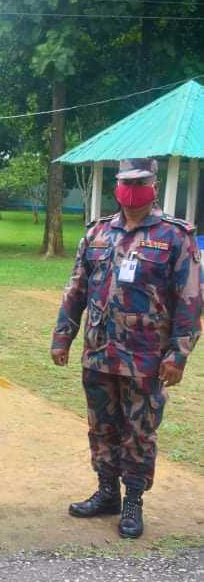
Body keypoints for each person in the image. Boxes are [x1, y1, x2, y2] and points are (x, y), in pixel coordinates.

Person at [51, 158, 201, 539]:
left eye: (140, 182)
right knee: (101, 426)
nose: (132, 190)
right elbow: (76, 290)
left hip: (146, 358)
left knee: (140, 431)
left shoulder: (174, 236)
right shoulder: (97, 233)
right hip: (99, 351)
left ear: (153, 184)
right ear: (116, 185)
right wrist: (63, 335)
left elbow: (190, 302)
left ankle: (133, 499)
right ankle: (106, 493)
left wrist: (178, 355)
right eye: (126, 182)